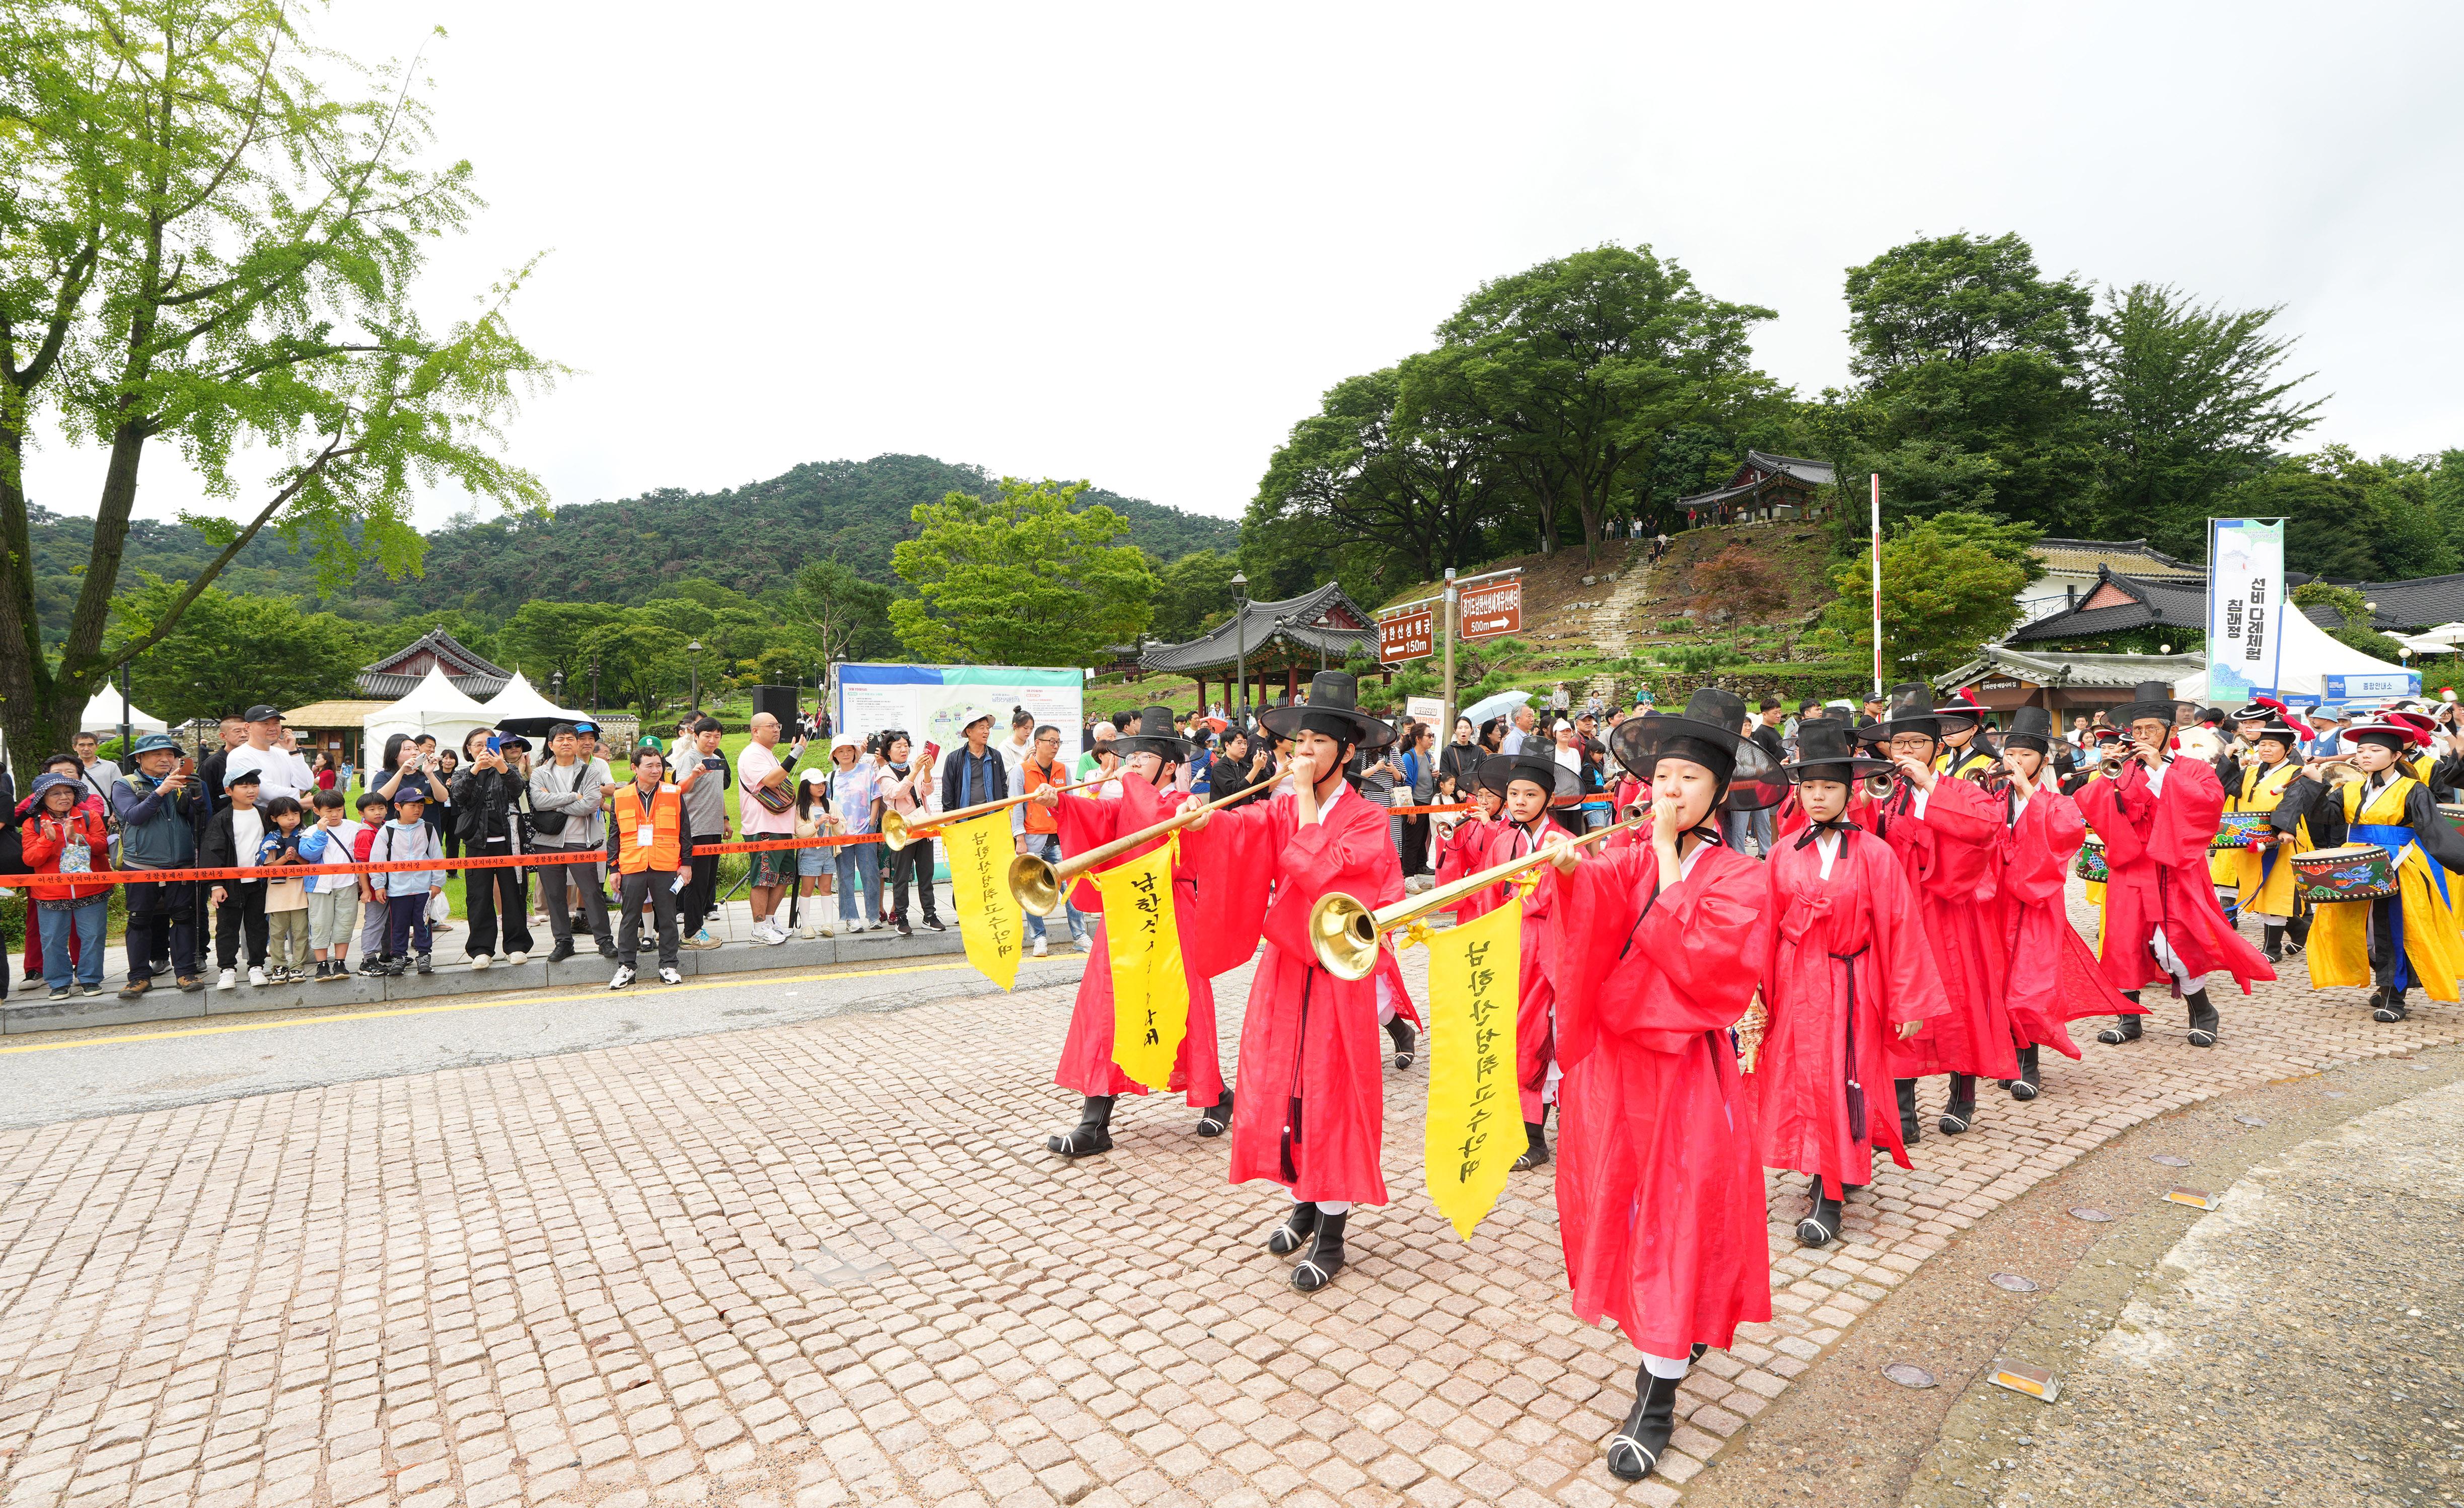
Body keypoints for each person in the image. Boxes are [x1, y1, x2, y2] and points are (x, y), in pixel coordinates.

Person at [1540, 688, 1778, 1482]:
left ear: (1716, 790)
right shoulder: (1627, 858)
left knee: (1675, 1213)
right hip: (1616, 1069)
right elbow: (1589, 929)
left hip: (1683, 1071)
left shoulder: (1741, 875)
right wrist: (1572, 875)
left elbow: (1705, 967)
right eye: (1662, 777)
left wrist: (1669, 858)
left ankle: (1657, 1392)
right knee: (1621, 1201)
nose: (1668, 791)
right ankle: (1665, 1330)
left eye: (1686, 778)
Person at [1177, 672, 1404, 1294]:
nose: (1301, 751)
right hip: (1285, 971)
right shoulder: (1280, 804)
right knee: (1288, 1090)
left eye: (1315, 742)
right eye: (1297, 741)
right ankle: (1304, 1200)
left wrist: (1301, 797)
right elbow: (1246, 835)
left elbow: (1316, 874)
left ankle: (1332, 1231)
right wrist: (1204, 823)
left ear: (1347, 752)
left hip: (1336, 978)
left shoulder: (1366, 821)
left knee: (1331, 1094)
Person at [1756, 719, 1944, 1247]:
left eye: (1828, 787)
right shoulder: (1781, 853)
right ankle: (1824, 1167)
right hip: (1796, 980)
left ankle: (1830, 1190)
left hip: (1849, 979)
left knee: (1842, 1080)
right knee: (1803, 1078)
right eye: (1809, 786)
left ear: (1849, 790)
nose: (1817, 796)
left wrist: (1908, 998)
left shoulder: (1875, 855)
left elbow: (1901, 926)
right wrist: (1757, 993)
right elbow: (1765, 928)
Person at [1036, 705, 1235, 1156]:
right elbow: (1099, 816)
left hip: (1172, 917)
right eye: (1131, 757)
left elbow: (1150, 816)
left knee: (1181, 1008)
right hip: (1125, 914)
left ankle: (1217, 1095)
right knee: (1107, 1007)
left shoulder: (1182, 804)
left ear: (1167, 765)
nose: (1132, 764)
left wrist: (1125, 779)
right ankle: (1095, 1120)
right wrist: (1061, 802)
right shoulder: (1127, 798)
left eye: (1142, 757)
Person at [1853, 683, 2018, 1142]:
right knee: (1897, 1005)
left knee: (1956, 1004)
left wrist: (1929, 787)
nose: (1906, 751)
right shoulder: (1881, 787)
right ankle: (1903, 1114)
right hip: (1893, 916)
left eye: (1917, 743)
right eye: (1900, 743)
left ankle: (1962, 1096)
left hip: (1946, 911)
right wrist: (1865, 803)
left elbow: (1986, 829)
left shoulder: (1959, 788)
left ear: (1936, 745)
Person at [2074, 682, 2275, 1049]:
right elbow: (2091, 805)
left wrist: (2159, 770)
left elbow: (2207, 805)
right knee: (2123, 940)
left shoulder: (2193, 768)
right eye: (2137, 730)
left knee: (2176, 944)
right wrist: (2112, 779)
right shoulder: (2122, 769)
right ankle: (2128, 1016)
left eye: (2151, 729)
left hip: (2176, 867)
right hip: (2132, 866)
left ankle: (2202, 1010)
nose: (2142, 736)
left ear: (2172, 730)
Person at [1435, 750, 1579, 1170]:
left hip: (1548, 951)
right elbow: (1485, 898)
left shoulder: (1564, 844)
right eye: (1513, 793)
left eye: (1530, 794)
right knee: (1508, 1036)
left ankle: (1535, 1138)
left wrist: (1518, 899)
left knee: (1537, 1039)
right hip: (1508, 947)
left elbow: (1558, 897)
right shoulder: (1502, 841)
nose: (1518, 801)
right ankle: (1517, 1126)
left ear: (1549, 799)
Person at [1989, 708, 2134, 1101]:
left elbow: (2067, 834)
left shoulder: (2055, 802)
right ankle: (2008, 1054)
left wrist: (2030, 795)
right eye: (2011, 754)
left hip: (2035, 905)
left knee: (2029, 985)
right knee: (1996, 981)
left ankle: (2027, 1061)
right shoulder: (1992, 796)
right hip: (1995, 905)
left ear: (2043, 759)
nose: (2016, 762)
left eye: (2025, 755)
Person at [2303, 712, 2464, 1024]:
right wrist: (2315, 785)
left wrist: (2459, 860)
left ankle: (2393, 994)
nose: (2365, 755)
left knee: (2392, 929)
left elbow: (2433, 829)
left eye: (2375, 750)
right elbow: (2326, 816)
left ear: (2396, 756)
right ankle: (2384, 979)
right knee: (2358, 929)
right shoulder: (2349, 789)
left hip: (2397, 863)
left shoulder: (2413, 789)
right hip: (2355, 865)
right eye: (2362, 750)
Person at [2222, 710, 2326, 964]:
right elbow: (2226, 789)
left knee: (2276, 892)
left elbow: (2293, 802)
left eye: (2273, 745)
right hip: (2250, 841)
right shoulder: (2252, 771)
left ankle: (2272, 948)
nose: (2266, 750)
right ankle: (2301, 931)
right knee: (2260, 891)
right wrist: (2227, 760)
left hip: (2281, 839)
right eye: (2263, 745)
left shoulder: (2297, 773)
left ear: (2288, 749)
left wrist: (2284, 830)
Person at [111, 733, 204, 999]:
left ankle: (185, 973)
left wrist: (196, 799)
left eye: (170, 754)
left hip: (182, 863)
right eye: (157, 754)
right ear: (139, 758)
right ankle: (139, 977)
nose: (165, 759)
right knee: (139, 920)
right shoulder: (125, 783)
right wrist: (162, 791)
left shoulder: (182, 783)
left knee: (185, 917)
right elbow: (133, 817)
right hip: (140, 863)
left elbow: (199, 819)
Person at [607, 744, 705, 988]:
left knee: (668, 916)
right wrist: (613, 869)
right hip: (632, 865)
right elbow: (614, 836)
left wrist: (687, 865)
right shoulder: (620, 796)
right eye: (649, 766)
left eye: (659, 765)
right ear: (635, 768)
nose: (655, 770)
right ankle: (626, 967)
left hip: (666, 864)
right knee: (629, 918)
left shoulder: (673, 793)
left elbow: (685, 832)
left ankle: (669, 965)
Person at [21, 771, 113, 999]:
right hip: (50, 892)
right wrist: (47, 840)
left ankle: (90, 979)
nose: (64, 797)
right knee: (52, 939)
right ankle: (59, 982)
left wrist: (76, 837)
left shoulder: (88, 816)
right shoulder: (33, 824)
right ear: (43, 798)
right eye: (56, 793)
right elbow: (31, 859)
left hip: (91, 889)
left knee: (93, 935)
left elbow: (102, 846)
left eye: (68, 792)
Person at [529, 722, 616, 963]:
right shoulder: (539, 773)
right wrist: (572, 797)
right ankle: (563, 942)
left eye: (570, 739)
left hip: (582, 840)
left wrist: (554, 800)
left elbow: (590, 804)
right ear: (551, 745)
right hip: (548, 841)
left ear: (578, 744)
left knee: (591, 891)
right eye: (560, 740)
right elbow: (538, 802)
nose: (566, 743)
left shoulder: (591, 771)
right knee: (555, 894)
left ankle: (604, 940)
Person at [451, 728, 533, 969]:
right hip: (478, 843)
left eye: (488, 744)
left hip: (509, 842)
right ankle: (481, 949)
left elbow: (519, 790)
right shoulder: (462, 773)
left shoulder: (508, 770)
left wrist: (502, 767)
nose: (483, 749)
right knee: (479, 897)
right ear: (468, 749)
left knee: (514, 894)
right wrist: (476, 769)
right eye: (477, 745)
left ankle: (516, 946)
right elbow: (458, 796)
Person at [1017, 724, 1088, 957]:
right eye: (1051, 742)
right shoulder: (1021, 771)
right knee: (1032, 891)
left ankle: (1080, 936)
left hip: (1059, 838)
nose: (1055, 746)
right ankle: (1039, 938)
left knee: (1071, 887)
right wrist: (1019, 838)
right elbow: (1016, 807)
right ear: (1037, 743)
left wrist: (1072, 833)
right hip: (1032, 838)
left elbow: (1069, 803)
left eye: (1058, 742)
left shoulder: (1063, 770)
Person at [737, 711, 804, 945]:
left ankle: (770, 920)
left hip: (782, 825)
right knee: (763, 878)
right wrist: (796, 754)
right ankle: (758, 928)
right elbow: (772, 781)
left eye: (778, 725)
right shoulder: (751, 754)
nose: (777, 729)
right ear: (756, 731)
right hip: (762, 827)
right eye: (771, 726)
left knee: (785, 876)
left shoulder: (769, 754)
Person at [371, 788, 445, 976]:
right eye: (412, 805)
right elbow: (378, 860)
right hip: (398, 889)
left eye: (421, 806)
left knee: (424, 923)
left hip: (423, 887)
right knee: (399, 925)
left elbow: (437, 856)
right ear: (398, 807)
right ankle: (399, 957)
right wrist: (379, 885)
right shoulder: (387, 831)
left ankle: (424, 956)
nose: (417, 810)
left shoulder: (428, 828)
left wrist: (437, 882)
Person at [876, 732, 942, 936]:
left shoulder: (917, 767)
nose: (904, 750)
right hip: (901, 831)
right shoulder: (884, 773)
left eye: (906, 745)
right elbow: (896, 793)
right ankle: (901, 917)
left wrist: (928, 772)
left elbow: (927, 791)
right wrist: (915, 771)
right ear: (888, 751)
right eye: (898, 746)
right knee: (901, 877)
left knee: (926, 874)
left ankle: (929, 915)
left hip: (923, 825)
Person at [299, 787, 365, 982]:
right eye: (329, 811)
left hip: (347, 884)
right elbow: (309, 855)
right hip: (320, 886)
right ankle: (321, 965)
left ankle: (340, 962)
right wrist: (321, 833)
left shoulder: (355, 828)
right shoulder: (310, 832)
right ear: (317, 811)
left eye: (339, 809)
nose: (335, 815)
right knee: (320, 924)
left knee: (345, 922)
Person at [677, 716, 732, 949]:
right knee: (696, 883)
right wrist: (694, 775)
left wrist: (726, 819)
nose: (712, 740)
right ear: (696, 736)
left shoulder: (718, 759)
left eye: (717, 736)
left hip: (714, 828)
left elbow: (718, 793)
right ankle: (691, 933)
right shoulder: (689, 758)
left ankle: (698, 928)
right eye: (707, 736)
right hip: (695, 829)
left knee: (708, 882)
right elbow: (679, 789)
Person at [825, 735, 883, 935]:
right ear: (834, 755)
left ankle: (874, 916)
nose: (846, 754)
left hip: (866, 829)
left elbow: (876, 796)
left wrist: (873, 822)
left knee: (870, 873)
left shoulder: (866, 770)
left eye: (849, 750)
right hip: (841, 833)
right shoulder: (831, 778)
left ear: (855, 752)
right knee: (845, 876)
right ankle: (851, 918)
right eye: (841, 751)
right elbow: (828, 806)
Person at [255, 796, 311, 983]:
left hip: (300, 892)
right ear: (274, 819)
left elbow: (311, 863)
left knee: (301, 932)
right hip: (277, 893)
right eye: (285, 815)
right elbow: (267, 867)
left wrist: (297, 857)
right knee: (277, 933)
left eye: (295, 813)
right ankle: (279, 966)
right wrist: (286, 859)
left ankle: (298, 966)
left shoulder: (306, 836)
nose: (292, 818)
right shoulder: (270, 840)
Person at [223, 705, 316, 804]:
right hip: (261, 816)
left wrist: (293, 751)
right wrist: (297, 793)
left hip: (289, 816)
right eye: (265, 724)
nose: (272, 728)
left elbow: (307, 784)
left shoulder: (284, 753)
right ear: (248, 727)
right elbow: (267, 793)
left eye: (276, 723)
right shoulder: (239, 755)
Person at [350, 790, 393, 976]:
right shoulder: (365, 834)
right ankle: (368, 960)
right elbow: (361, 864)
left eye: (382, 808)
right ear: (362, 813)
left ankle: (387, 954)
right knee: (375, 921)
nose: (378, 813)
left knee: (388, 921)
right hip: (374, 886)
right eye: (372, 809)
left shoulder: (386, 827)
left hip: (388, 883)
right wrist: (366, 890)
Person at [790, 769, 836, 939]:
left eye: (823, 784)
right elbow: (801, 832)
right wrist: (817, 823)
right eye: (816, 784)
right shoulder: (801, 808)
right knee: (807, 889)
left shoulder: (830, 804)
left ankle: (828, 923)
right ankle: (807, 925)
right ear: (806, 786)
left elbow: (842, 826)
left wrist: (836, 822)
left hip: (828, 852)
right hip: (809, 853)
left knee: (826, 888)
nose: (821, 787)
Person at [70, 731, 121, 808]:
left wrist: (115, 813)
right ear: (75, 747)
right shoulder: (70, 768)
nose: (86, 749)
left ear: (97, 746)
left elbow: (119, 792)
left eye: (90, 745)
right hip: (78, 812)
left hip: (105, 812)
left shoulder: (111, 766)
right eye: (82, 745)